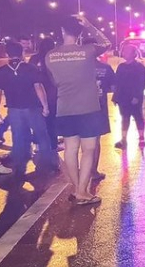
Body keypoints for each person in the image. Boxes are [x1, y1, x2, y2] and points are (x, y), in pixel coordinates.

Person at [45, 15, 111, 205]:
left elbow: (54, 82)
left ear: (62, 31)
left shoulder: (50, 56)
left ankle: (78, 189)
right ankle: (83, 191)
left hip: (64, 108)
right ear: (80, 33)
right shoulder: (88, 51)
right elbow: (105, 43)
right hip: (88, 108)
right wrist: (89, 24)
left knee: (70, 150)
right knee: (88, 150)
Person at [0, 41, 57, 177]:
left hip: (14, 109)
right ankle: (46, 165)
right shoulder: (30, 68)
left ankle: (19, 168)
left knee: (18, 138)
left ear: (7, 53)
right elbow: (38, 87)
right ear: (22, 53)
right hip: (33, 108)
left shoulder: (3, 71)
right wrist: (45, 106)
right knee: (42, 136)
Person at [82, 38, 115, 180]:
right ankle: (93, 171)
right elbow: (114, 87)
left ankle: (82, 171)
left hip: (79, 107)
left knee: (80, 141)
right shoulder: (105, 68)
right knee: (95, 142)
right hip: (98, 108)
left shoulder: (76, 68)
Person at [113, 45, 145, 149]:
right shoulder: (121, 67)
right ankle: (123, 139)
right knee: (124, 117)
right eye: (123, 51)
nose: (124, 53)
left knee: (138, 116)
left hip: (135, 97)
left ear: (133, 54)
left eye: (127, 51)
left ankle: (141, 138)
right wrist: (115, 97)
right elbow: (117, 82)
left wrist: (136, 96)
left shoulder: (139, 67)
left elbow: (141, 83)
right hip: (123, 97)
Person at [29, 37, 60, 152]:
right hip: (52, 94)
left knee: (38, 121)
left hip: (36, 94)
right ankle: (53, 145)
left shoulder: (34, 58)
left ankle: (37, 144)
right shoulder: (53, 59)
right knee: (51, 122)